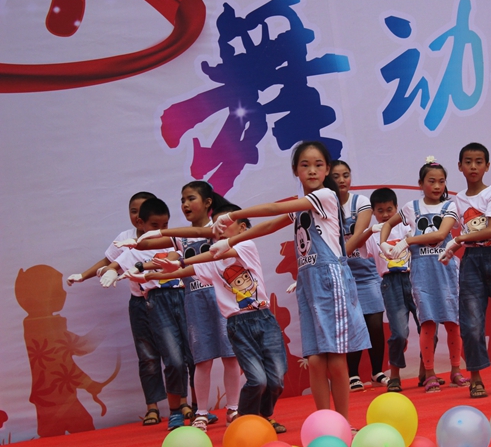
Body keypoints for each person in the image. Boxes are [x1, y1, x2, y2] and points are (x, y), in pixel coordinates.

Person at [208, 141, 370, 426]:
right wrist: (231, 241)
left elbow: (273, 208)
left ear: (327, 170)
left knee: (335, 358)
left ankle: (343, 423)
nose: (312, 170)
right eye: (305, 165)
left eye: (318, 165)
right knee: (316, 360)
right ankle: (325, 423)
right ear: (296, 170)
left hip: (330, 278)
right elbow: (271, 224)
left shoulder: (325, 196)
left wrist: (233, 215)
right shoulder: (302, 203)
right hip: (308, 282)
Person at [123, 205, 288, 431]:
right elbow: (186, 271)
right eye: (216, 225)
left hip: (264, 319)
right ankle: (248, 419)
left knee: (276, 378)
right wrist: (147, 274)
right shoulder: (212, 262)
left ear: (242, 228)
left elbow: (212, 254)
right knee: (257, 379)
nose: (219, 228)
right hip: (238, 325)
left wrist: (180, 260)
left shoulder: (246, 246)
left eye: (225, 223)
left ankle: (260, 414)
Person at [119, 182, 242, 431]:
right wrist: (138, 249)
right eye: (182, 200)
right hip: (195, 304)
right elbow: (164, 253)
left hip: (221, 300)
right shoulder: (180, 237)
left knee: (231, 357)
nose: (185, 204)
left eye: (190, 198)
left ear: (207, 203)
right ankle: (201, 412)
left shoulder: (217, 228)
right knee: (202, 360)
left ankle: (234, 408)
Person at [66, 192, 166, 426]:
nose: (137, 216)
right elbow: (108, 262)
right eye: (133, 211)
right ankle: (152, 407)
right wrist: (83, 275)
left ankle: (183, 404)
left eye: (142, 211)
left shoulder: (165, 236)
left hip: (167, 299)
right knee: (148, 357)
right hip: (139, 303)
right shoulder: (125, 238)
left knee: (177, 355)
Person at [438, 143, 491, 398]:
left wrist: (458, 239)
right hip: (472, 261)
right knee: (471, 323)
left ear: (487, 166)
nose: (473, 167)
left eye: (479, 162)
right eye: (468, 162)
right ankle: (476, 378)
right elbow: (444, 229)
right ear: (460, 166)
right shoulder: (457, 200)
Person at [379, 158, 469, 393]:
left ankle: (456, 370)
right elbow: (387, 224)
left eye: (441, 181)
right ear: (420, 183)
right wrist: (384, 244)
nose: (437, 186)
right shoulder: (411, 207)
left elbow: (440, 235)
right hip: (421, 273)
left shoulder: (449, 207)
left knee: (453, 323)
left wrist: (407, 241)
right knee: (427, 323)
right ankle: (429, 374)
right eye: (431, 181)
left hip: (446, 272)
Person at [107, 198, 194, 429]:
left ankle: (196, 407)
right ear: (141, 224)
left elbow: (189, 255)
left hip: (183, 298)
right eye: (155, 226)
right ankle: (169, 410)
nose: (160, 230)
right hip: (154, 302)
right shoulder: (134, 248)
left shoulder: (174, 242)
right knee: (167, 359)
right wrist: (108, 271)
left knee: (193, 356)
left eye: (165, 225)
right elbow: (113, 264)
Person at [330, 160, 387, 391]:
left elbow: (361, 235)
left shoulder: (361, 202)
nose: (342, 180)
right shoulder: (325, 206)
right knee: (352, 325)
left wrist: (341, 253)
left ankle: (377, 371)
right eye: (336, 176)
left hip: (367, 273)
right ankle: (353, 374)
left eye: (345, 175)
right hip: (342, 275)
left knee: (375, 324)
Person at [360, 187, 418, 393]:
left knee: (428, 328)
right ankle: (395, 375)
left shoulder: (406, 227)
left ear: (397, 208)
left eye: (389, 210)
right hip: (390, 284)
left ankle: (426, 372)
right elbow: (357, 248)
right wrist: (368, 231)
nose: (385, 214)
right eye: (380, 210)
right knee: (399, 333)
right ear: (373, 212)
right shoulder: (373, 235)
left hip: (414, 279)